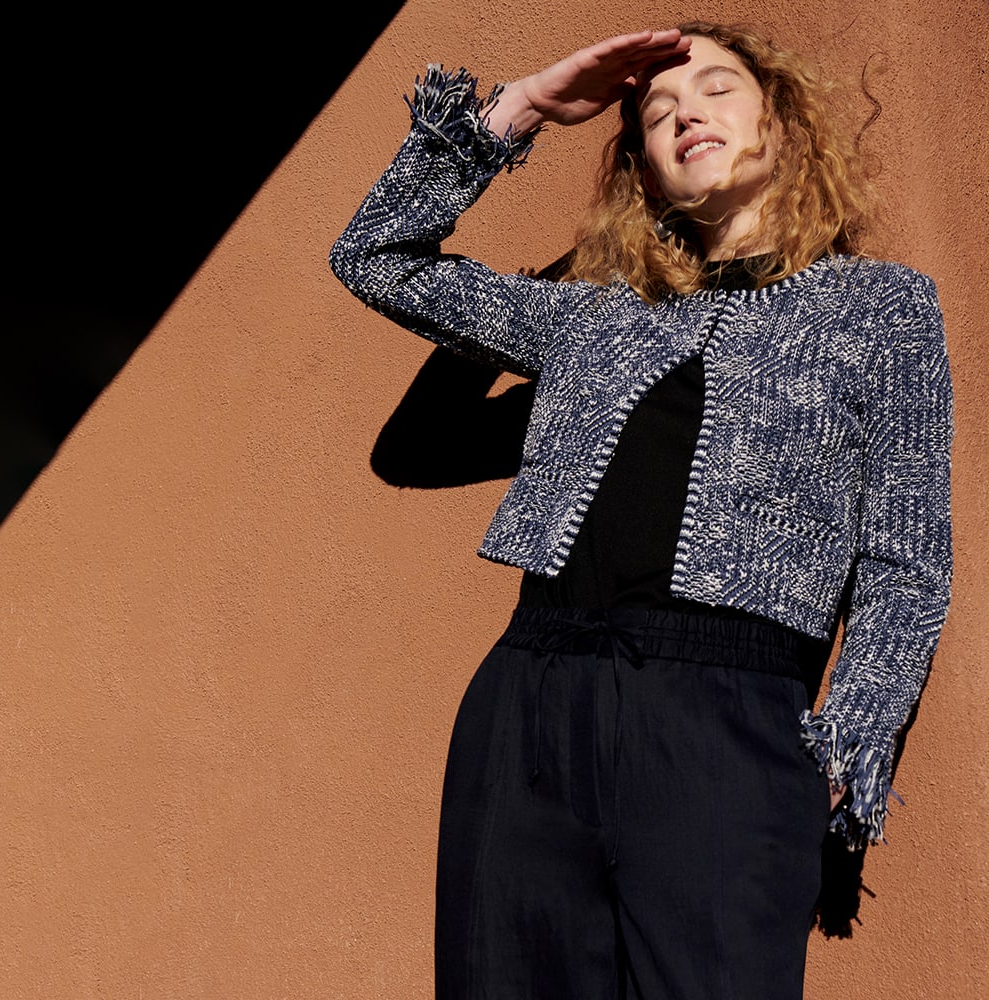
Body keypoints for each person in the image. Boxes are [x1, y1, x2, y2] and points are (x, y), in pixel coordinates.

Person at [330, 20, 953, 1000]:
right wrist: (523, 107)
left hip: (731, 719)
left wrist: (846, 748)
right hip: (532, 698)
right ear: (644, 172)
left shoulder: (880, 308)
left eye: (714, 89)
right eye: (655, 112)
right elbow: (377, 255)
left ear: (779, 123)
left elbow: (904, 559)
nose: (682, 113)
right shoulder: (595, 308)